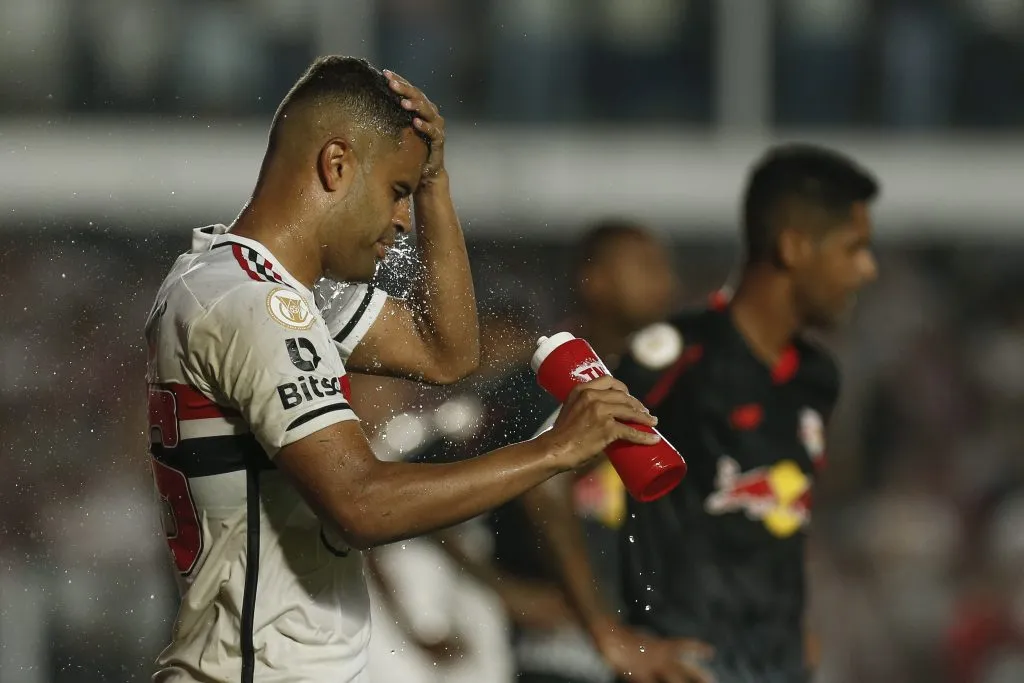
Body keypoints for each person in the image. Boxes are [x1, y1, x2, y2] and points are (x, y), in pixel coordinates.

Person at [143, 56, 659, 683]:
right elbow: (360, 503)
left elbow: (447, 353)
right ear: (336, 165)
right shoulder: (252, 303)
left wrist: (436, 181)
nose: (402, 222)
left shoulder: (273, 289)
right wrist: (551, 451)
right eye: (398, 192)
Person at [532, 144, 881, 683]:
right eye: (854, 249)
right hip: (687, 664)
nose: (867, 270)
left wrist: (795, 620)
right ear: (793, 248)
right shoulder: (676, 357)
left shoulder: (818, 377)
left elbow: (777, 514)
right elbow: (544, 480)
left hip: (781, 665)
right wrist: (607, 634)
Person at [411, 220, 706, 683]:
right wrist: (505, 590)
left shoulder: (666, 384)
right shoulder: (532, 385)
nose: (666, 282)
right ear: (596, 281)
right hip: (557, 654)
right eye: (646, 267)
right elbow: (416, 487)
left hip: (642, 642)